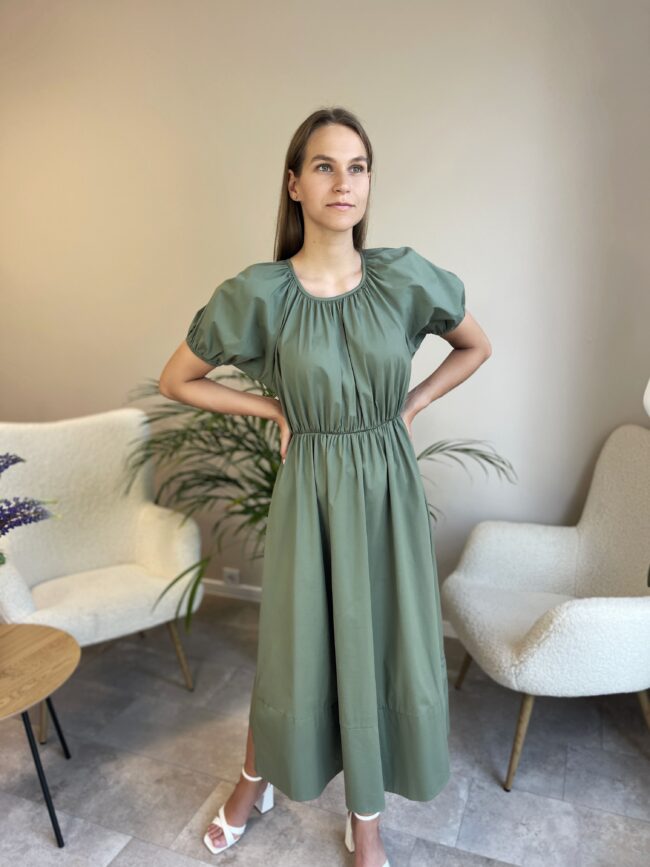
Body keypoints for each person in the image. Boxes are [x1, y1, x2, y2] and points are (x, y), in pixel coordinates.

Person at [159, 106, 491, 867]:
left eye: (357, 167)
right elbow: (179, 379)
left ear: (369, 183)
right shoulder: (260, 293)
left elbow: (475, 345)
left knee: (379, 645)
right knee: (296, 648)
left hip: (387, 488)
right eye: (324, 166)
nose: (344, 182)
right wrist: (274, 407)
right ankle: (254, 781)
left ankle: (365, 819)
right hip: (309, 487)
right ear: (294, 184)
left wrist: (411, 404)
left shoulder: (403, 277)